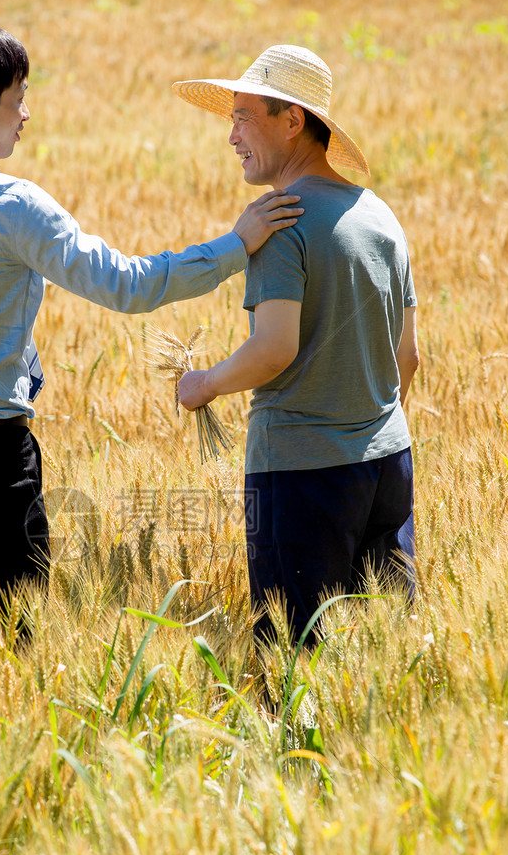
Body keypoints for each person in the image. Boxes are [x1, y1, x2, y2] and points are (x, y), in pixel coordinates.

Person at [0, 15, 302, 613]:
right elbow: (127, 285)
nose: (26, 115)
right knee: (18, 651)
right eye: (18, 100)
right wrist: (236, 246)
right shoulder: (14, 205)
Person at [174, 45, 419, 646]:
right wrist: (363, 424)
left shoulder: (279, 221)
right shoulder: (380, 215)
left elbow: (274, 348)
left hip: (302, 474)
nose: (231, 135)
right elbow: (407, 357)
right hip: (389, 463)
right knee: (379, 657)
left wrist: (201, 384)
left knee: (292, 661)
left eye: (243, 116)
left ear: (292, 121)